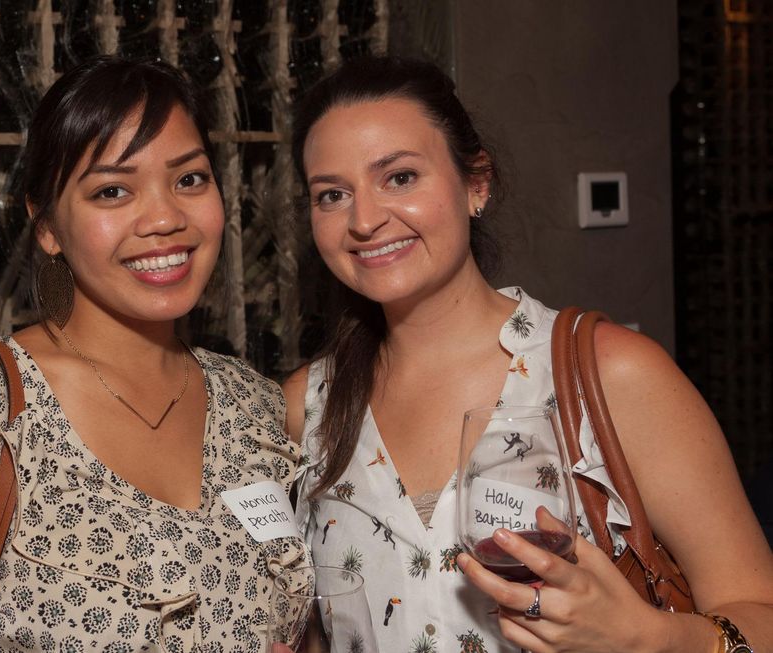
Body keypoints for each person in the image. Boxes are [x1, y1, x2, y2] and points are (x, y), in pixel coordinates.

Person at [282, 56, 773, 653]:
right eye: (333, 194)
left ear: (476, 184)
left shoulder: (609, 375)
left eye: (400, 177)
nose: (364, 219)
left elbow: (760, 613)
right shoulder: (307, 407)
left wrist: (649, 637)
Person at [0, 55, 305, 652]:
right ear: (47, 227)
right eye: (112, 190)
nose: (165, 217)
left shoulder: (258, 408)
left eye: (190, 179)